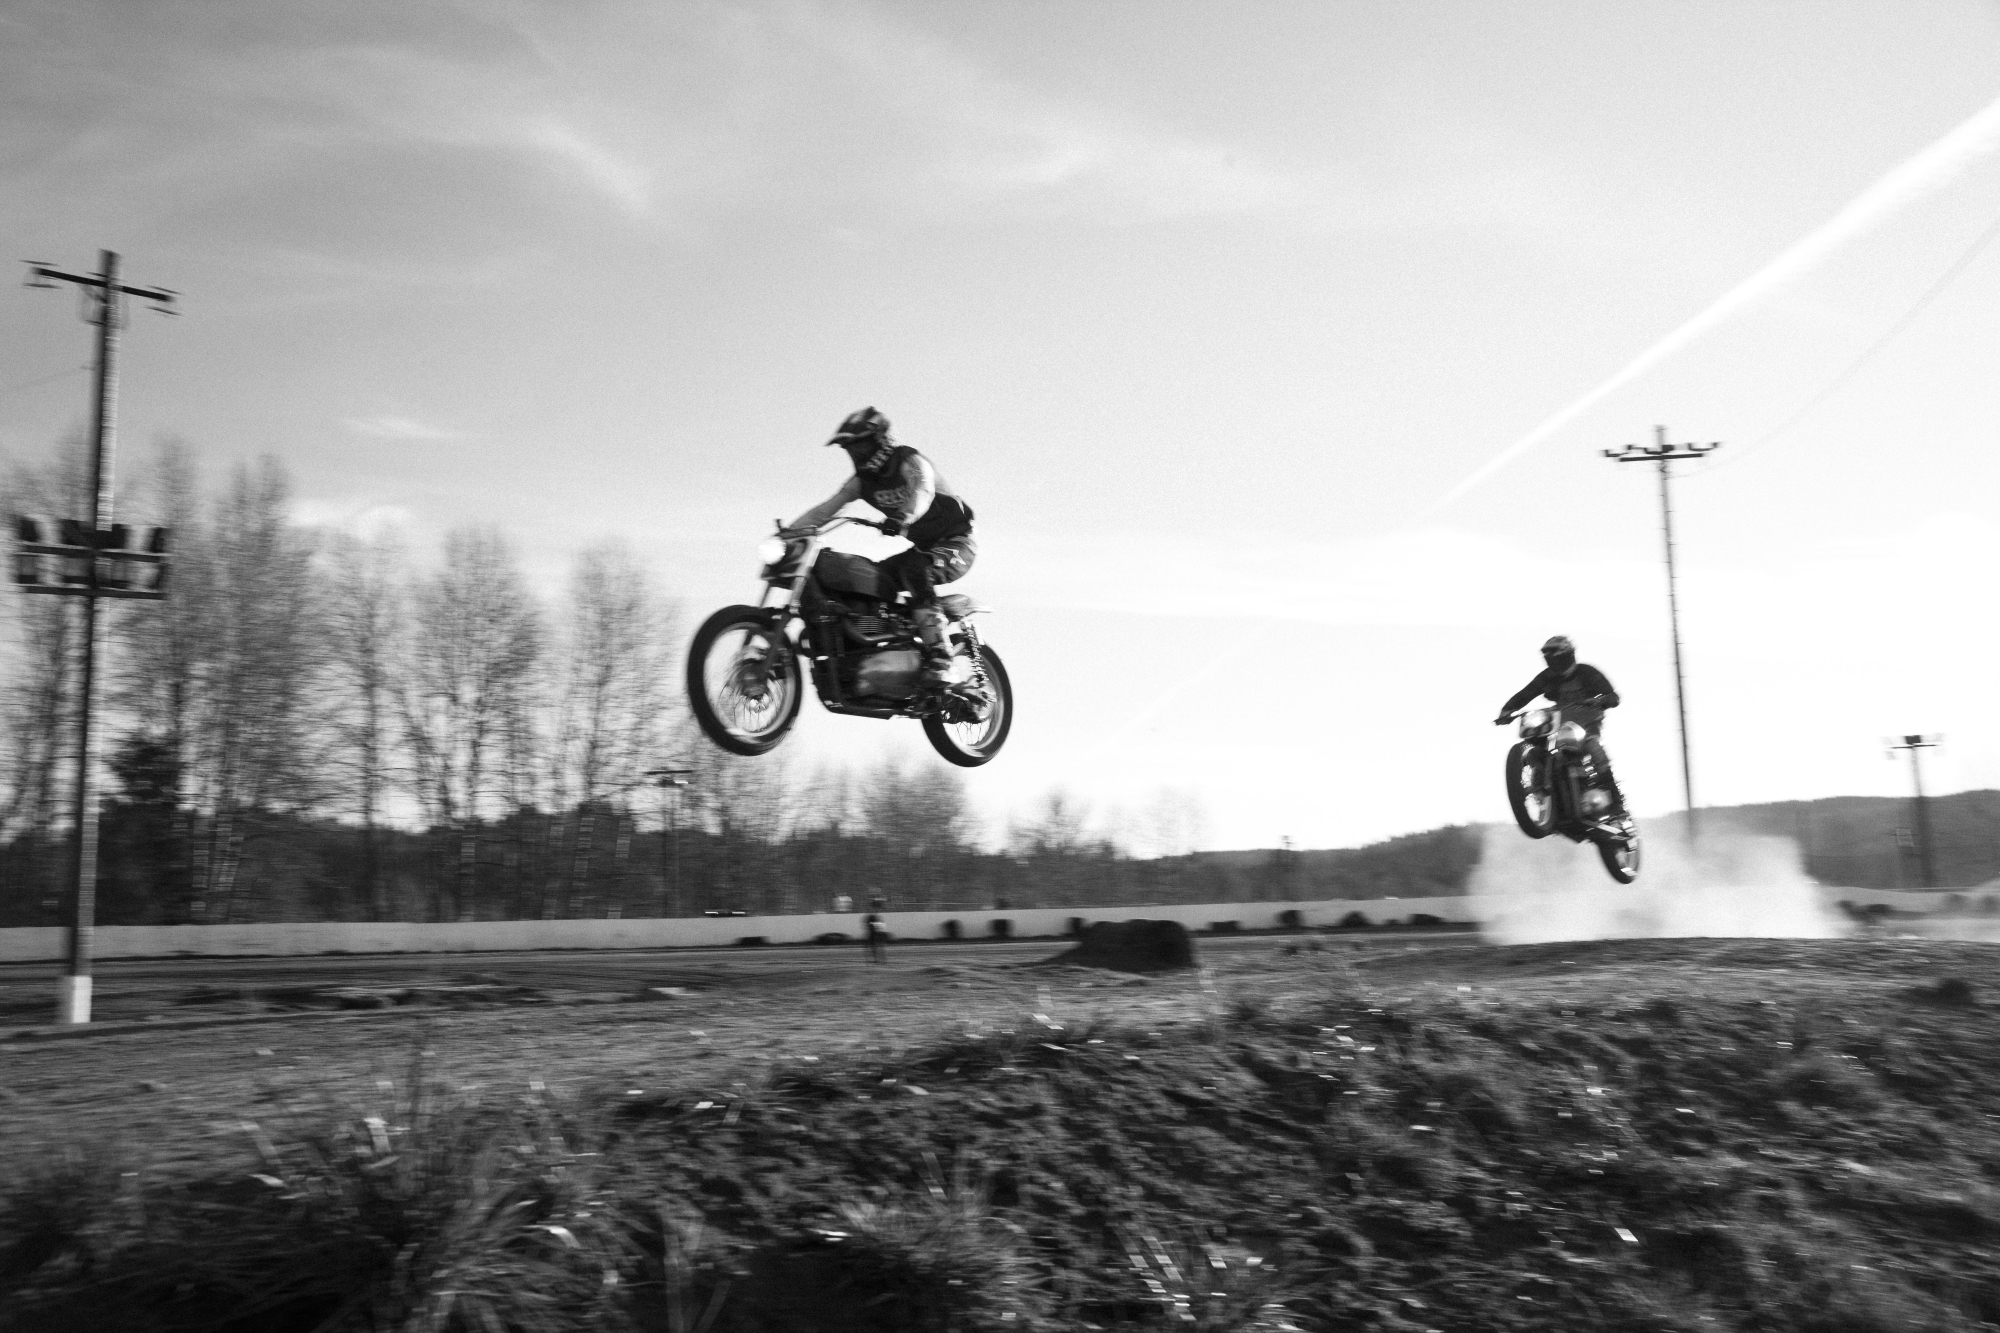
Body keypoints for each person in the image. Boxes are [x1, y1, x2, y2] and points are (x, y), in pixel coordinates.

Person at [784, 407, 976, 684]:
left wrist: (903, 516)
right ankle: (883, 647)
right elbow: (825, 511)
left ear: (882, 440)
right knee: (872, 579)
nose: (857, 455)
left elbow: (923, 489)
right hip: (923, 550)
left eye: (861, 446)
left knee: (914, 569)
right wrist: (788, 535)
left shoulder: (909, 461)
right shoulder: (861, 483)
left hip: (958, 543)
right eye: (852, 450)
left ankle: (942, 656)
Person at [1494, 635, 1627, 816]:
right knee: (1538, 744)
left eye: (1556, 657)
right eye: (1549, 658)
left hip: (1588, 721)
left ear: (1567, 655)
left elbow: (1613, 697)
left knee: (1593, 747)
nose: (1553, 662)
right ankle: (1543, 788)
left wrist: (1600, 700)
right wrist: (1507, 710)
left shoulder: (1587, 672)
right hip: (1559, 723)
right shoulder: (1547, 677)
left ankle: (1616, 802)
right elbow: (1526, 693)